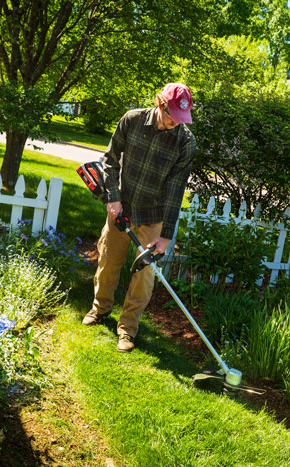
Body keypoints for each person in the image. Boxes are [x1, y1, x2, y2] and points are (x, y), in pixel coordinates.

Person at [81, 82, 197, 352]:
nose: (174, 123)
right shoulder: (131, 120)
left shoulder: (185, 141)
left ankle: (128, 329)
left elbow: (175, 190)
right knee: (108, 260)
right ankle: (100, 309)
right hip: (122, 205)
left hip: (153, 214)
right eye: (171, 117)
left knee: (144, 276)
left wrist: (166, 236)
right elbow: (110, 159)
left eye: (180, 119)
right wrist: (113, 197)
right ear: (160, 104)